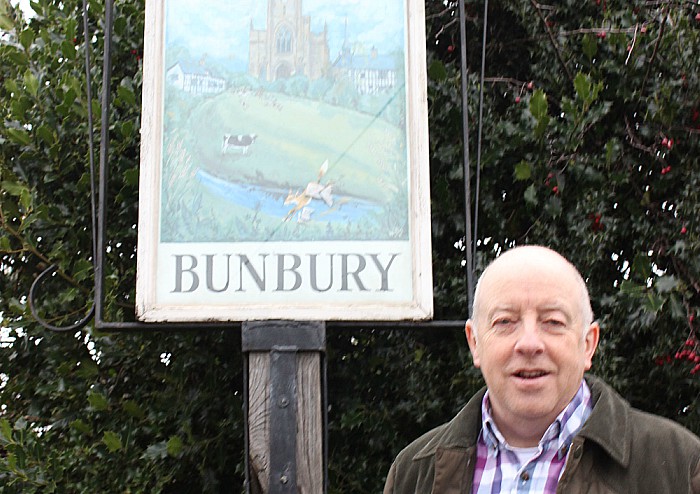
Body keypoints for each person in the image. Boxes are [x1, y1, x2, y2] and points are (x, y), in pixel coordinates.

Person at [384, 245, 700, 493]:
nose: (529, 343)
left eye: (553, 322)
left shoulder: (679, 464)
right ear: (475, 343)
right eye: (505, 322)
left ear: (588, 344)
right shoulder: (413, 473)